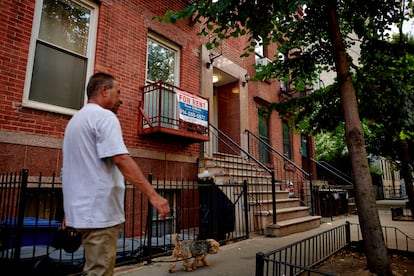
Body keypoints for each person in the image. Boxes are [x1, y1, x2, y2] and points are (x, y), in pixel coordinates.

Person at [62, 72, 170, 275]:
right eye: (118, 92)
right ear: (104, 90)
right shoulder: (104, 117)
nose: (121, 99)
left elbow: (69, 171)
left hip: (81, 214)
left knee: (92, 268)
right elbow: (121, 159)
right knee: (99, 271)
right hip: (99, 213)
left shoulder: (75, 122)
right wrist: (153, 195)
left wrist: (68, 210)